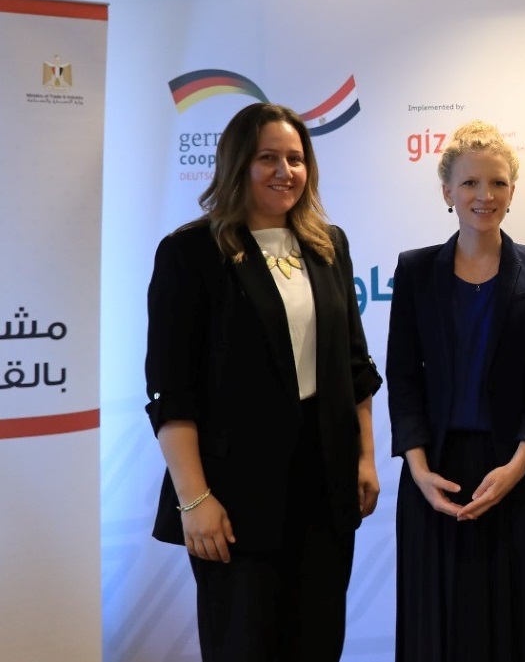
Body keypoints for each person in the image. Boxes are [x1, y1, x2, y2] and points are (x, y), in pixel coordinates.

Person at [145, 102, 382, 661]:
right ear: (237, 164)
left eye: (295, 159)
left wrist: (365, 458)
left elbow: (355, 367)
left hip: (325, 489)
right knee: (243, 645)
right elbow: (170, 391)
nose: (285, 171)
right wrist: (193, 499)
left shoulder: (328, 245)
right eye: (267, 158)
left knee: (317, 643)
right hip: (233, 499)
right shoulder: (191, 252)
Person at [386, 121, 525, 661]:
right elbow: (403, 374)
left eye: (497, 183)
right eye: (470, 183)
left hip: (518, 472)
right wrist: (418, 470)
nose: (484, 195)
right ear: (447, 191)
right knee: (441, 627)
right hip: (436, 472)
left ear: (512, 191)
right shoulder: (415, 270)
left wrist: (517, 466)